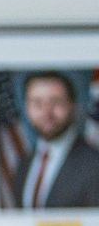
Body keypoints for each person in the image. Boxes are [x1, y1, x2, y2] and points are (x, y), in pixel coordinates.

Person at [14, 71, 99, 210]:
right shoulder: (24, 163)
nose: (46, 112)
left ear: (73, 105)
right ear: (26, 107)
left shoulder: (94, 164)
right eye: (37, 103)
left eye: (56, 102)